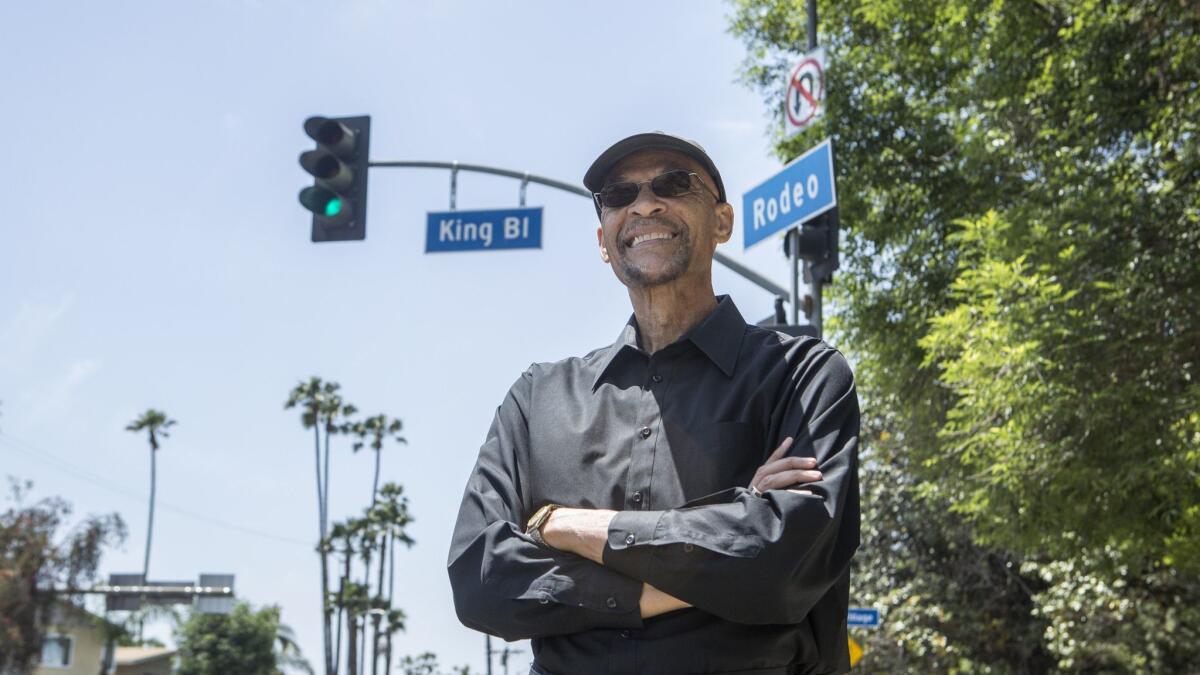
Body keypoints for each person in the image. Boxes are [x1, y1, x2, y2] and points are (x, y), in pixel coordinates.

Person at [447, 132, 860, 674]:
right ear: (604, 240)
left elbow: (784, 562)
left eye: (673, 183)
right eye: (620, 195)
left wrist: (568, 528)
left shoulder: (803, 376)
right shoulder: (537, 398)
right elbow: (481, 581)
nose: (644, 204)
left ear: (722, 222)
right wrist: (728, 528)